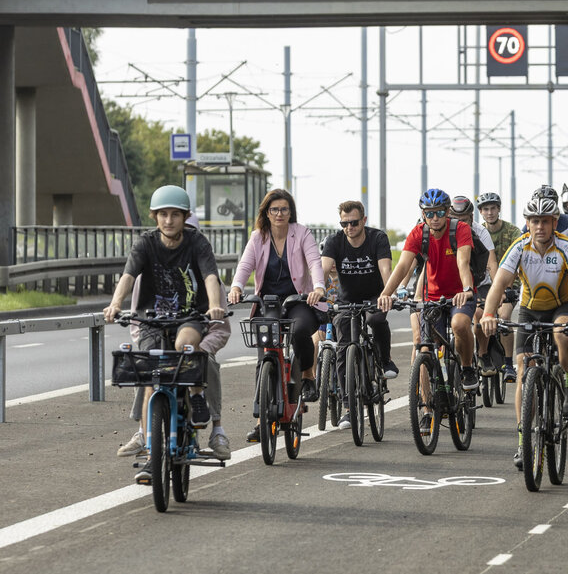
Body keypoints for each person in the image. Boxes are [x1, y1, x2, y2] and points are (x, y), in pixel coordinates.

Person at [103, 185, 228, 483]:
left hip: (189, 317)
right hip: (152, 320)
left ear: (185, 217)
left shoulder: (197, 242)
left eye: (175, 214)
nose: (168, 220)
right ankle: (150, 454)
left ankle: (196, 397)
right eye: (163, 214)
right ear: (154, 216)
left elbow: (210, 276)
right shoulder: (145, 243)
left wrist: (214, 306)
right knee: (150, 377)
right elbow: (128, 276)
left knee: (186, 346)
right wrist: (115, 304)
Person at [480, 195, 568, 469]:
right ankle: (523, 441)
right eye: (534, 221)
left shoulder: (565, 246)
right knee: (523, 367)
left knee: (563, 333)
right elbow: (499, 284)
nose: (540, 227)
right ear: (528, 223)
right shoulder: (520, 246)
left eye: (545, 221)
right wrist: (488, 314)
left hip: (562, 305)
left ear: (554, 222)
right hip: (530, 309)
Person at [228, 188, 327, 442]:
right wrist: (236, 287)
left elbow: (314, 262)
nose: (279, 214)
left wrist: (318, 287)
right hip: (268, 302)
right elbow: (245, 265)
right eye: (274, 209)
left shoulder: (302, 233)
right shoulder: (258, 237)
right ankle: (261, 421)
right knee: (264, 357)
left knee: (301, 330)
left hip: (297, 300)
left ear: (290, 212)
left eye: (284, 209)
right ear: (267, 213)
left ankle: (307, 374)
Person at [378, 188, 479, 392]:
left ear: (448, 212)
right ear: (423, 214)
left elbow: (463, 262)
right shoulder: (418, 233)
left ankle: (467, 368)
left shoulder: (460, 229)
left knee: (459, 325)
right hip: (431, 296)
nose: (435, 218)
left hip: (459, 295)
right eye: (429, 213)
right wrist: (386, 294)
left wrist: (467, 289)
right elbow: (403, 266)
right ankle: (426, 404)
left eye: (439, 212)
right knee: (425, 348)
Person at [320, 199, 396, 429]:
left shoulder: (377, 238)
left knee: (376, 320)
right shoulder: (334, 240)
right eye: (344, 224)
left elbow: (385, 269)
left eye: (353, 222)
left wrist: (389, 293)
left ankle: (384, 360)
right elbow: (323, 269)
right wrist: (318, 290)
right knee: (344, 346)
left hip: (375, 296)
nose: (349, 228)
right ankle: (348, 408)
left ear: (364, 220)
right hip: (347, 300)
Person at [449, 195, 500, 375]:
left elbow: (491, 262)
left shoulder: (480, 232)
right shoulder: (444, 230)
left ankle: (483, 354)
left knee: (480, 314)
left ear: (471, 217)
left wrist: (498, 289)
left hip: (480, 282)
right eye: (456, 220)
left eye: (464, 220)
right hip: (454, 285)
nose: (460, 224)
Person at [476, 191, 522, 380]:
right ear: (480, 212)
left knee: (503, 317)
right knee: (477, 317)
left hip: (509, 284)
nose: (490, 213)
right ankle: (481, 355)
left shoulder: (513, 232)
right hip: (484, 284)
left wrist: (506, 289)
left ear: (499, 209)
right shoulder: (478, 232)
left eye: (493, 208)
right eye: (485, 209)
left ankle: (509, 364)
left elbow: (517, 262)